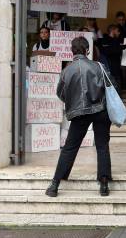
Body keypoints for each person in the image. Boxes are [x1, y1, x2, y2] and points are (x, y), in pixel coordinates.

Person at [45, 36, 112, 197]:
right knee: (102, 146)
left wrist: (73, 101)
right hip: (100, 110)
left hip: (79, 113)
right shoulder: (99, 66)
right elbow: (110, 86)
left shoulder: (67, 70)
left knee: (69, 148)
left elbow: (60, 93)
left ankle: (55, 184)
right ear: (88, 50)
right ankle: (104, 184)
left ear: (72, 51)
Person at [97, 24, 126, 92]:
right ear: (112, 30)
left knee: (118, 89)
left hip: (116, 69)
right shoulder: (105, 40)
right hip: (109, 70)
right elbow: (112, 50)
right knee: (112, 89)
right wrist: (125, 46)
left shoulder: (116, 40)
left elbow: (117, 51)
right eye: (117, 30)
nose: (118, 32)